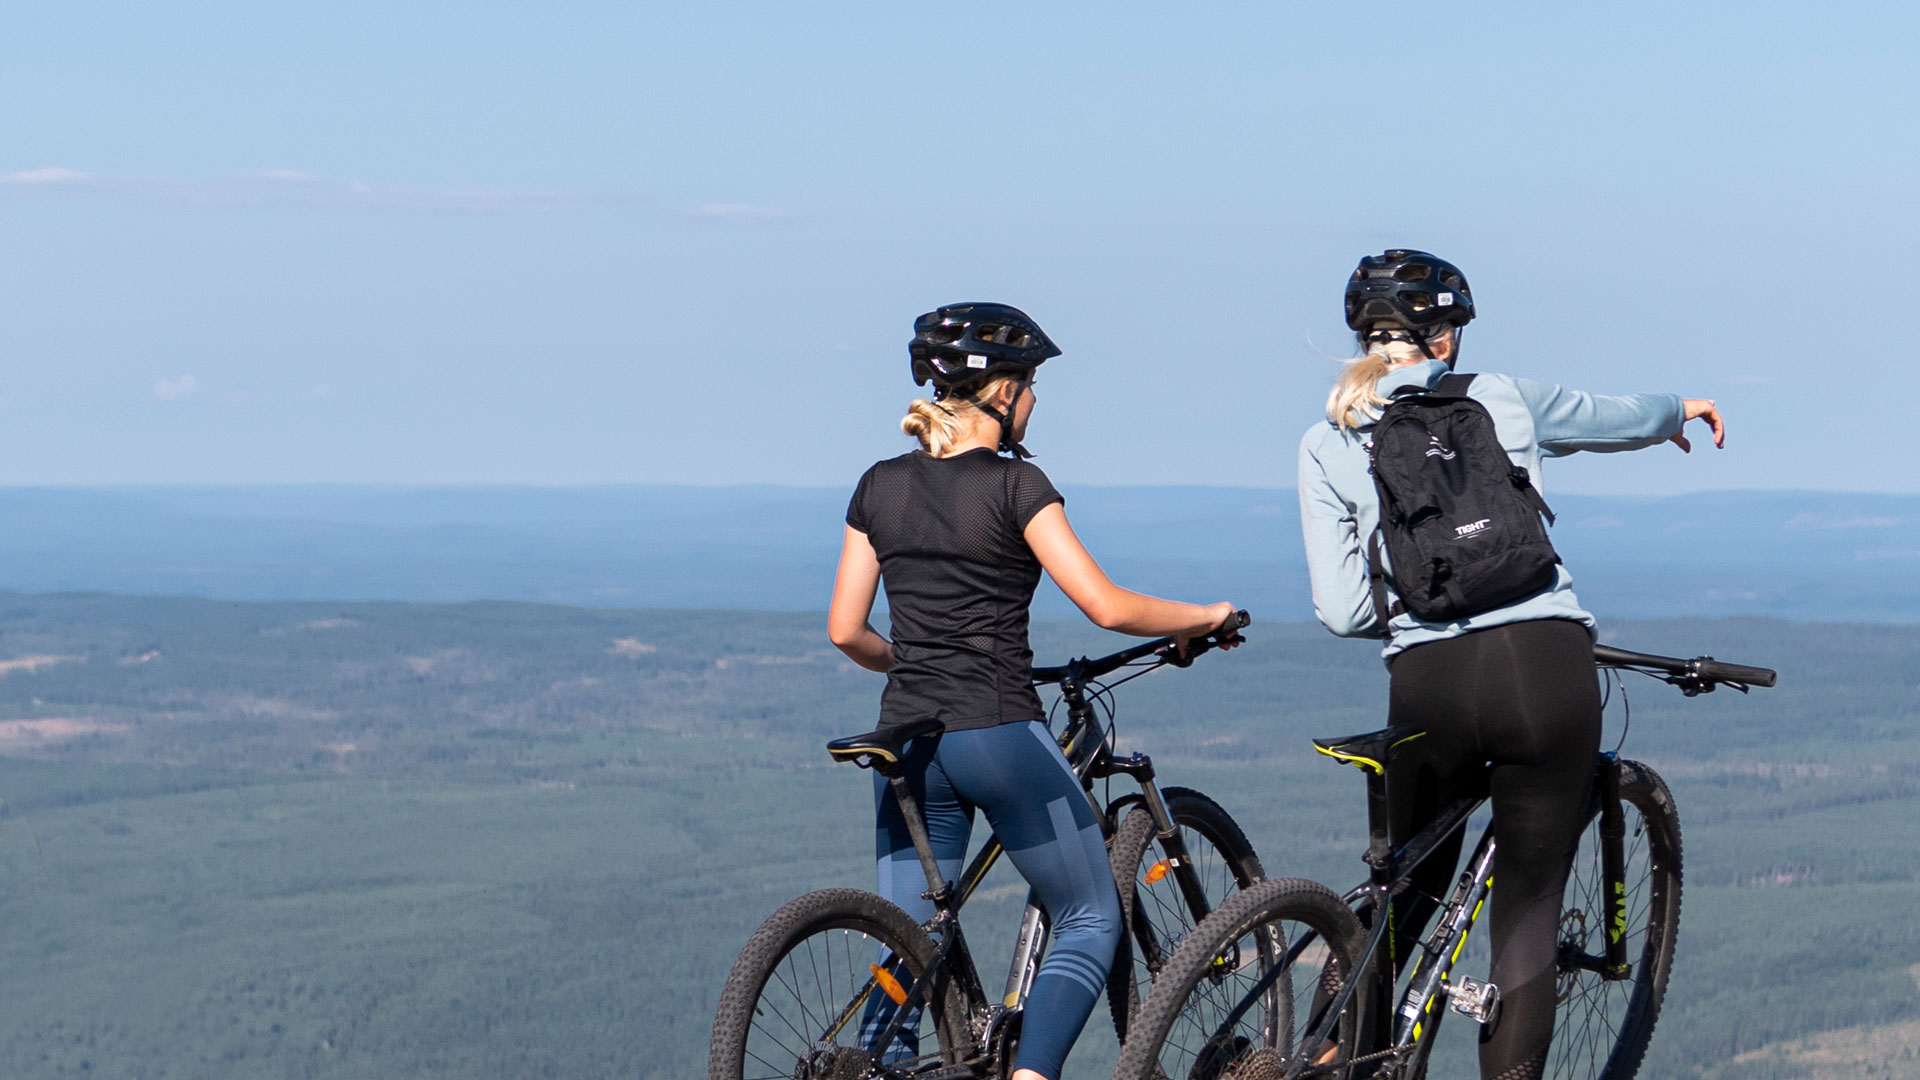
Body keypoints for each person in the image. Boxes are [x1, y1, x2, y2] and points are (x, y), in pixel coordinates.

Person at [1296, 250, 1725, 1080]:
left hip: (1427, 684)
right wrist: (1680, 408)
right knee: (1527, 910)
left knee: (1407, 891)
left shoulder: (1326, 440)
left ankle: (1322, 1055)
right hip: (1544, 671)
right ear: (1445, 336)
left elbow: (1344, 610)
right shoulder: (1502, 400)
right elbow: (1613, 416)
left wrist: (1422, 609)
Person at [828, 301, 1236, 1080]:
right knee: (1088, 916)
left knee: (909, 941)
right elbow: (1107, 606)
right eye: (1032, 382)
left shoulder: (876, 486)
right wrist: (1204, 617)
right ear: (1000, 391)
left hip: (905, 739)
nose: (1037, 399)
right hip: (996, 734)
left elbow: (847, 630)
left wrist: (917, 665)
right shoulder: (1019, 487)